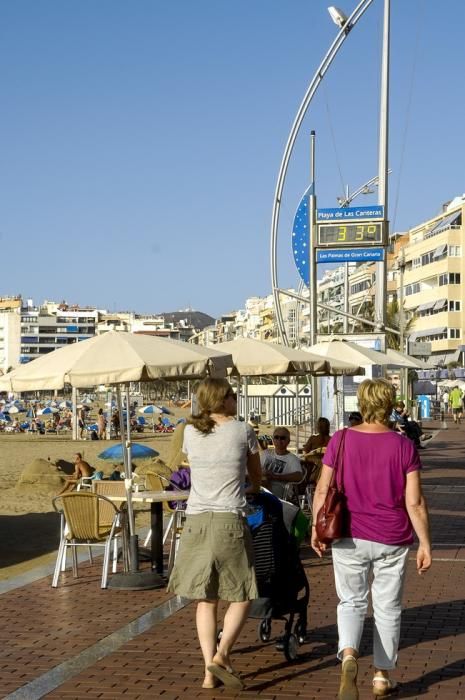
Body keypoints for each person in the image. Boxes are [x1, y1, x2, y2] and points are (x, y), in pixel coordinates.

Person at [311, 378, 432, 699]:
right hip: (392, 535)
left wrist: (315, 525)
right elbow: (414, 502)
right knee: (388, 606)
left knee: (351, 600)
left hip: (348, 532)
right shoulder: (403, 446)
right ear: (390, 405)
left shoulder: (341, 440)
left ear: (362, 405)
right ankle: (381, 674)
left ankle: (349, 654)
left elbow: (322, 489)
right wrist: (425, 542)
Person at [167, 378, 261, 690]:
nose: (236, 399)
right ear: (223, 399)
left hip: (195, 519)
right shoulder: (243, 430)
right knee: (243, 594)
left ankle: (209, 674)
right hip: (228, 518)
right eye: (233, 395)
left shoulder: (190, 431)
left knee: (205, 599)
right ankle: (221, 656)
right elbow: (256, 478)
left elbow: (191, 464)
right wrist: (249, 487)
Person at [261, 427, 304, 499]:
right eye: (276, 437)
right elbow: (255, 469)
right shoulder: (266, 453)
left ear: (288, 441)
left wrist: (276, 477)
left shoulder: (293, 459)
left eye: (283, 438)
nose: (279, 440)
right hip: (263, 485)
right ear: (273, 439)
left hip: (282, 489)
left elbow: (298, 476)